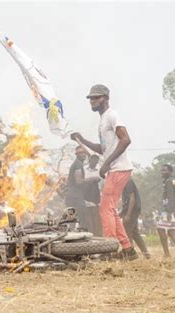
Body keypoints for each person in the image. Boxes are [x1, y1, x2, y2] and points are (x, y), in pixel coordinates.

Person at [70, 84, 137, 260]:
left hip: (118, 168)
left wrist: (106, 164)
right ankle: (128, 250)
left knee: (105, 209)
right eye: (91, 98)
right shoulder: (103, 120)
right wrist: (82, 139)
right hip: (115, 169)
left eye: (96, 97)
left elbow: (126, 140)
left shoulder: (112, 116)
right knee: (111, 209)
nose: (92, 101)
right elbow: (103, 148)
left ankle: (110, 250)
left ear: (106, 98)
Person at [157, 164, 175, 257]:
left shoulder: (169, 182)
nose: (162, 172)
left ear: (170, 172)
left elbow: (171, 196)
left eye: (165, 170)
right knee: (172, 232)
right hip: (174, 209)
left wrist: (169, 211)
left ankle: (166, 253)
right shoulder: (171, 181)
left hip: (169, 209)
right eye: (162, 170)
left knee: (161, 229)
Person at [121, 178, 150, 259]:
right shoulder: (125, 181)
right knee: (135, 233)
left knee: (127, 232)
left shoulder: (127, 181)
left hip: (132, 210)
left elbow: (132, 198)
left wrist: (128, 214)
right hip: (131, 209)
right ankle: (146, 254)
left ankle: (129, 254)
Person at [65, 146, 87, 230]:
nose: (83, 154)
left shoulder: (77, 164)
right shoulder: (78, 164)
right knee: (82, 218)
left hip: (72, 196)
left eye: (84, 152)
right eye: (81, 153)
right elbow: (78, 181)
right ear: (76, 154)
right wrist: (92, 179)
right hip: (75, 197)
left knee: (72, 220)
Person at [83, 154, 102, 236]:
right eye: (93, 160)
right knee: (88, 217)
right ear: (89, 160)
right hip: (85, 195)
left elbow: (102, 182)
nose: (94, 162)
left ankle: (97, 234)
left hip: (96, 196)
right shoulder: (83, 169)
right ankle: (89, 234)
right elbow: (80, 181)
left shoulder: (100, 170)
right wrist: (91, 179)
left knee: (96, 218)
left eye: (96, 161)